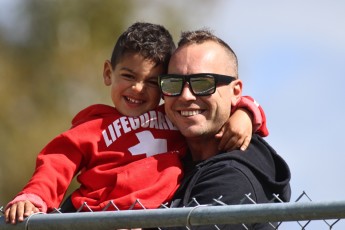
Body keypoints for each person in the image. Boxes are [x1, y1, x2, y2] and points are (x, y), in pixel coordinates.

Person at [4, 22, 268, 225]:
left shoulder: (173, 116)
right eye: (129, 76)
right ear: (108, 73)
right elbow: (57, 161)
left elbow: (222, 105)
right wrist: (35, 196)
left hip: (155, 218)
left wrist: (245, 114)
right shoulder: (94, 126)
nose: (138, 89)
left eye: (153, 82)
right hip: (96, 216)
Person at [158, 29, 291, 229]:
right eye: (173, 83)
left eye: (203, 83)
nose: (185, 96)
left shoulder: (233, 177)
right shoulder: (162, 145)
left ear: (235, 91)